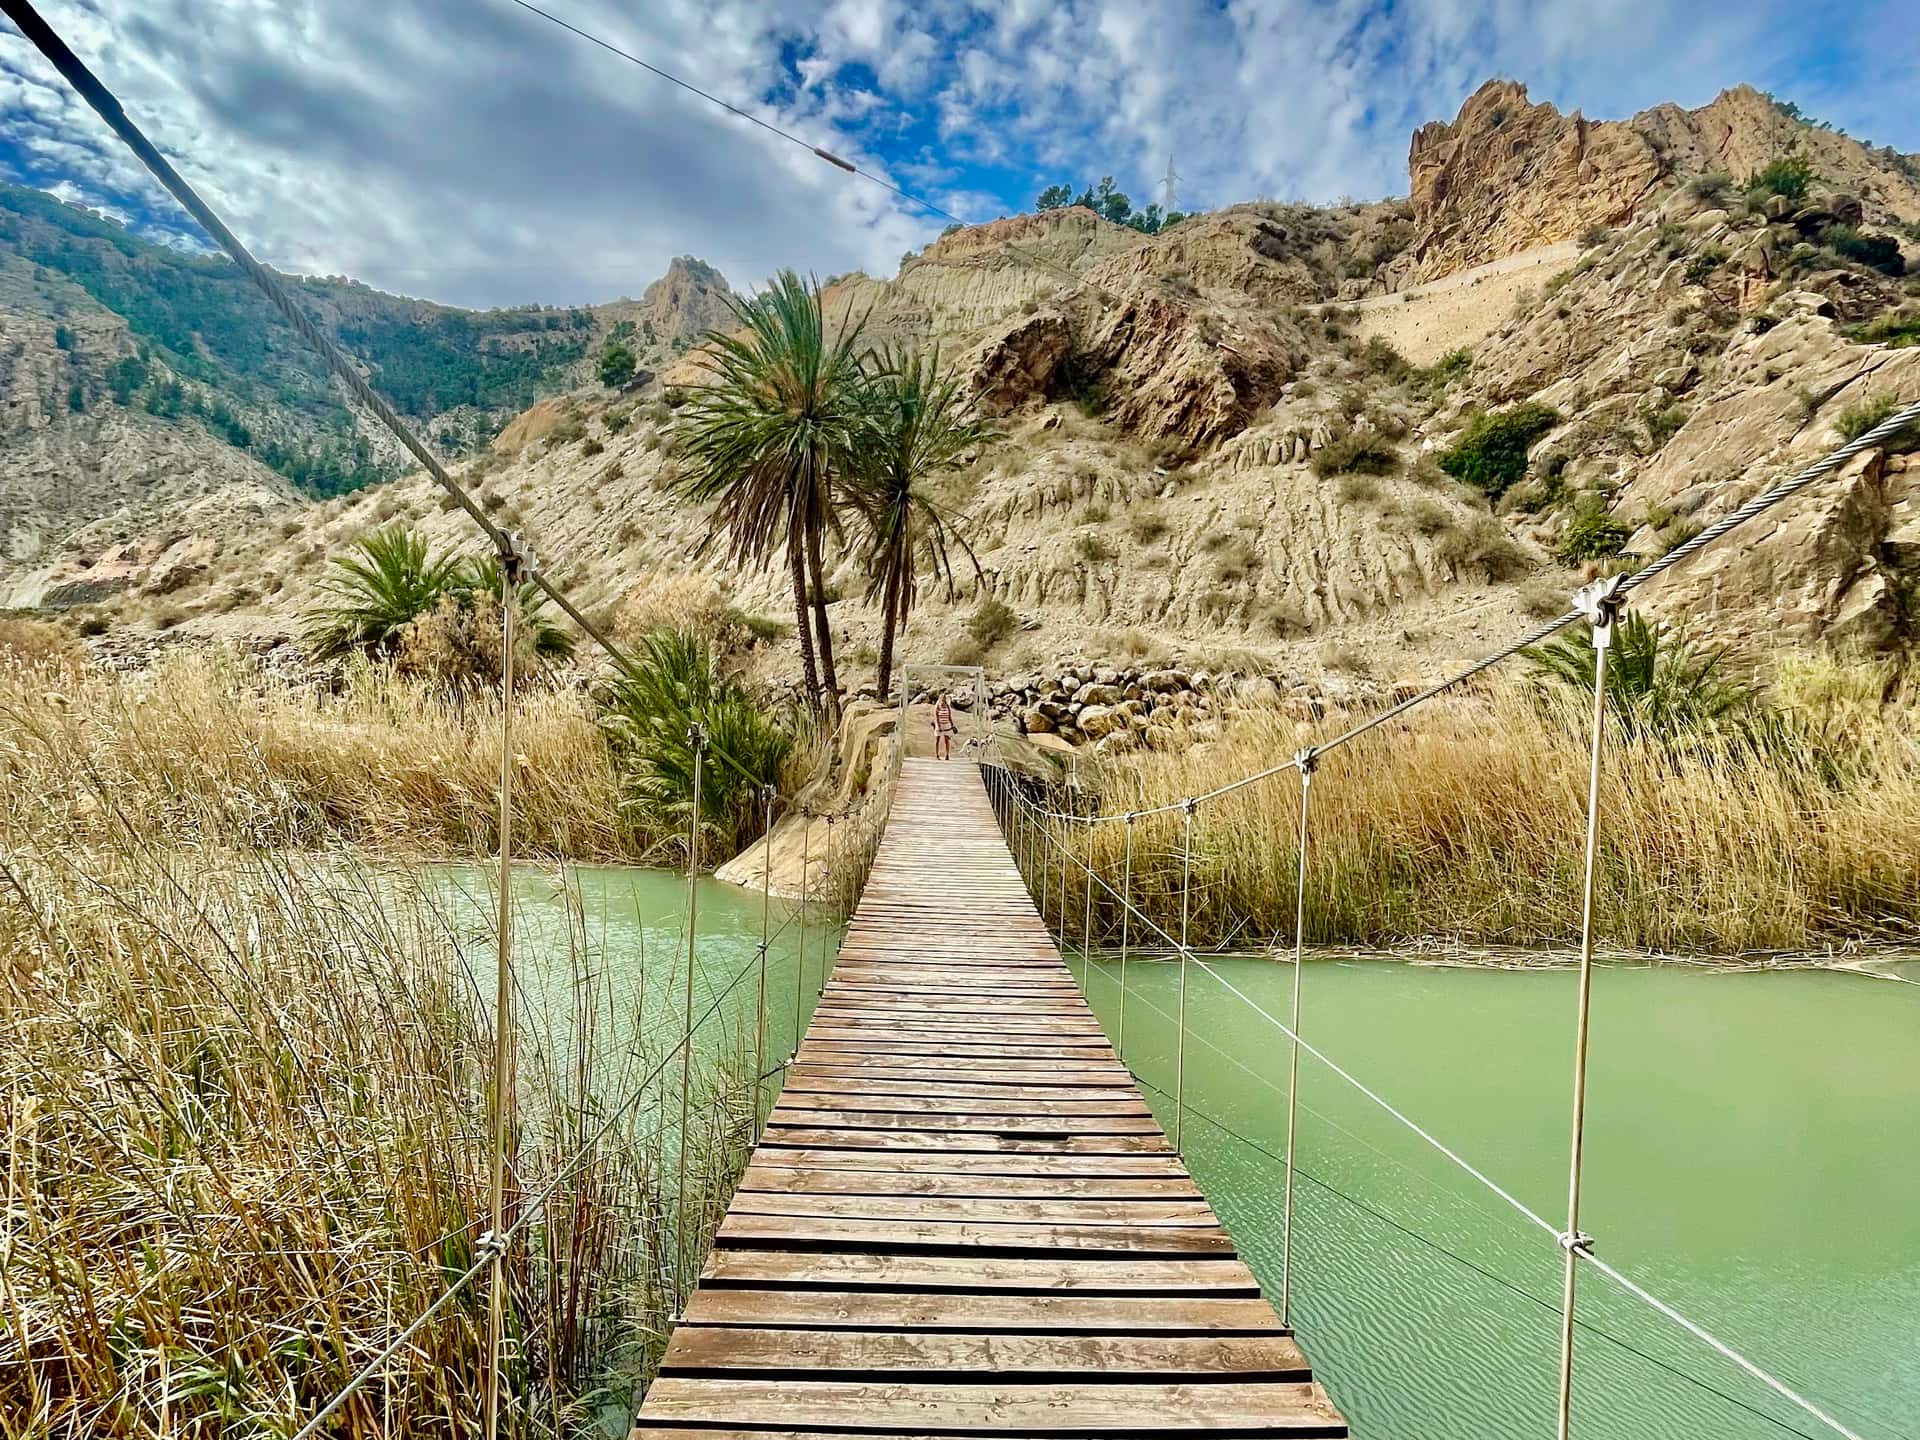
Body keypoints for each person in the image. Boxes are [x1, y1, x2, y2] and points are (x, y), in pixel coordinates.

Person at [932, 691, 956, 759]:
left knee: (947, 739)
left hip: (946, 724)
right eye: (942, 698)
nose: (943, 700)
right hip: (939, 723)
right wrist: (938, 726)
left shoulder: (948, 706)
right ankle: (937, 754)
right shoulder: (937, 707)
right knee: (937, 739)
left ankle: (947, 754)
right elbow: (936, 717)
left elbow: (949, 716)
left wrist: (952, 725)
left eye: (944, 698)